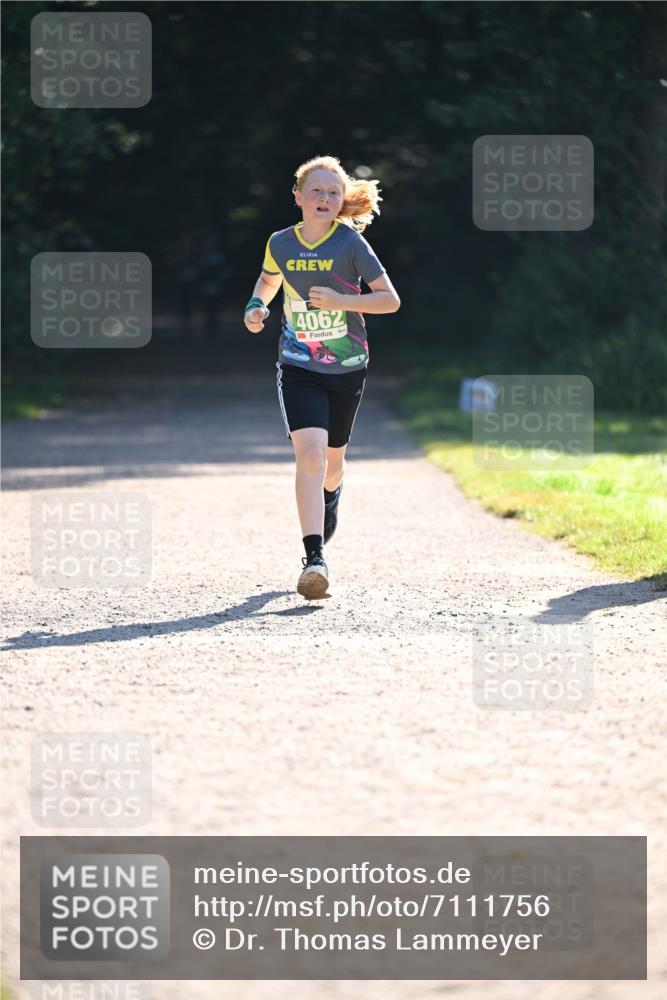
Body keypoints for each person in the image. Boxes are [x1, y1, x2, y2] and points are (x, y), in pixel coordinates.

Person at [243, 155, 400, 599]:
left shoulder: (350, 244)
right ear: (298, 197)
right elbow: (268, 280)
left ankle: (332, 494)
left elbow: (389, 301)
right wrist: (257, 306)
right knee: (309, 456)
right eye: (316, 191)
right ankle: (315, 560)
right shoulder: (280, 243)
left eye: (333, 192)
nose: (325, 198)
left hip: (347, 366)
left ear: (341, 201)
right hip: (298, 365)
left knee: (332, 462)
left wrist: (340, 300)